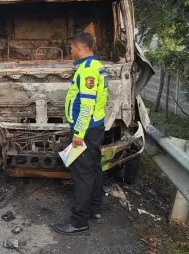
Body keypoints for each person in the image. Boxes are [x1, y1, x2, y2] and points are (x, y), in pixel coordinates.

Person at [54, 31, 108, 234]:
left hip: (84, 129)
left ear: (79, 47)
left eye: (72, 48)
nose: (71, 51)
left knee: (82, 173)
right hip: (95, 127)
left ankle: (78, 221)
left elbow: (86, 105)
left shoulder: (87, 70)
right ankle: (95, 209)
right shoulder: (97, 66)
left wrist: (78, 132)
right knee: (94, 168)